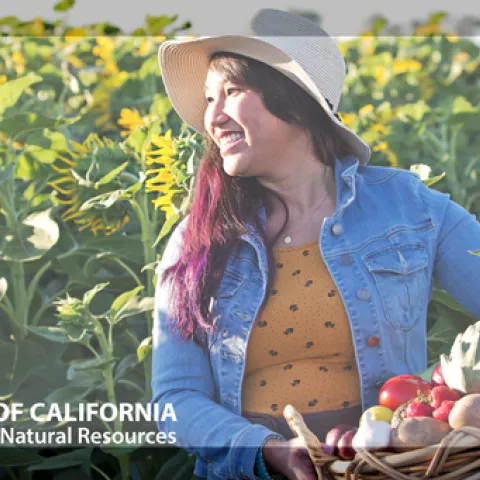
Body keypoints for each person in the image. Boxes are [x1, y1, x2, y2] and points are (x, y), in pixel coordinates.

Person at [151, 8, 480, 480]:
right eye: (208, 98)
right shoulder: (196, 239)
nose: (212, 117)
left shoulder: (409, 206)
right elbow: (174, 400)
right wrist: (267, 452)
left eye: (232, 91)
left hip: (390, 465)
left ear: (295, 100)